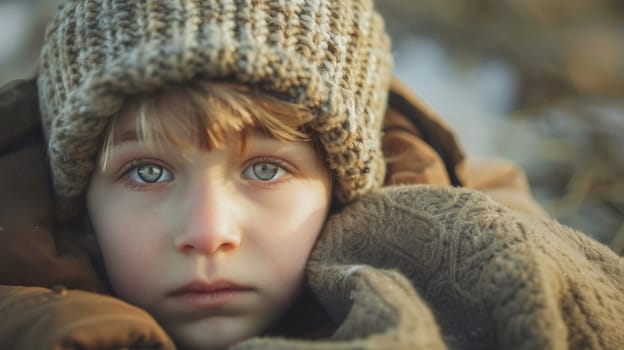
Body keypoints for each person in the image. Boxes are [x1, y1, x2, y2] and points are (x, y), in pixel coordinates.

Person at [0, 0, 623, 349]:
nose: (208, 232)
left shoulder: (490, 262)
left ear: (342, 186)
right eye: (147, 173)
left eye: (265, 168)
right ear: (78, 200)